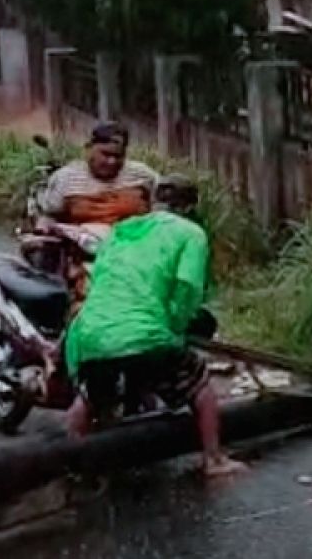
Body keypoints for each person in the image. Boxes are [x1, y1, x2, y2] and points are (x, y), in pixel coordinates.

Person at [64, 175, 246, 477]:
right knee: (199, 384)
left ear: (152, 204)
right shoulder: (190, 233)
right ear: (189, 208)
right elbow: (187, 288)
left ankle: (70, 465)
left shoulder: (120, 232)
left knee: (91, 397)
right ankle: (214, 460)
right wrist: (175, 329)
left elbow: (101, 283)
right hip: (144, 333)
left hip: (91, 334)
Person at [39, 122, 159, 232]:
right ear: (89, 149)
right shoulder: (65, 178)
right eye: (105, 154)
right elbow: (49, 217)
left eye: (118, 156)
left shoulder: (143, 176)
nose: (112, 161)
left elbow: (161, 214)